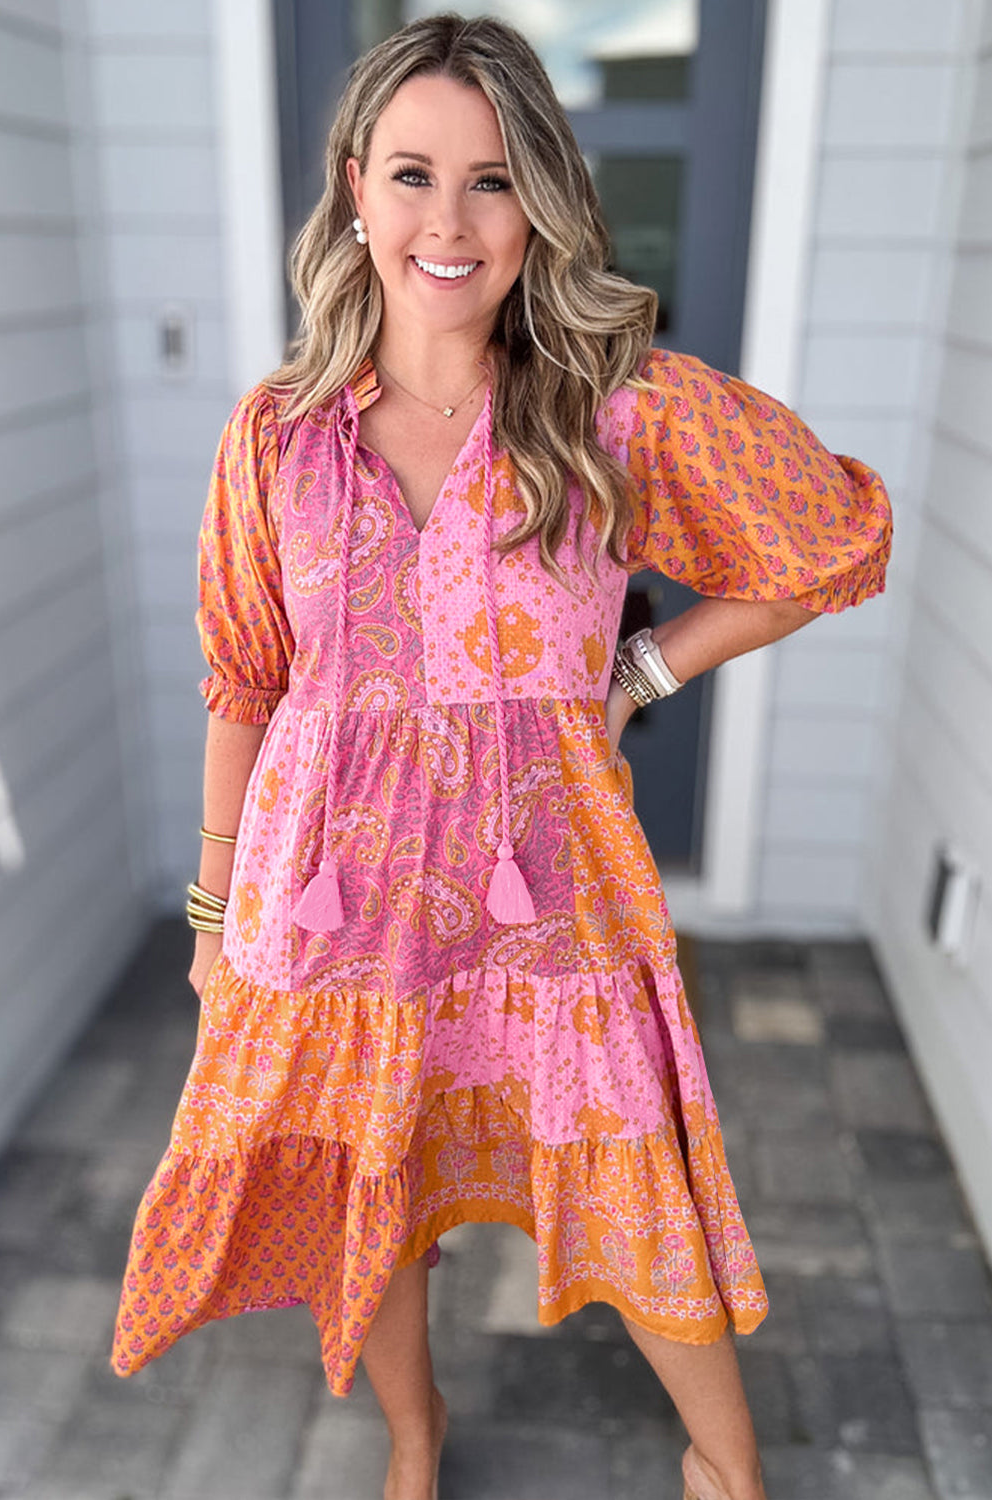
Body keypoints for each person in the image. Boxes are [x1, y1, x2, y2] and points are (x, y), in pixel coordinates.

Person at [110, 13, 893, 1500]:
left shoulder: (613, 408)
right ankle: (415, 1440)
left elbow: (832, 541)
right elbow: (245, 685)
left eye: (492, 180)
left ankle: (727, 1468)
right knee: (368, 1188)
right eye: (414, 174)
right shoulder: (277, 436)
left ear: (540, 203)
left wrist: (640, 673)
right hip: (323, 900)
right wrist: (214, 919)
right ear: (355, 188)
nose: (450, 222)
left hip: (548, 898)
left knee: (630, 1176)